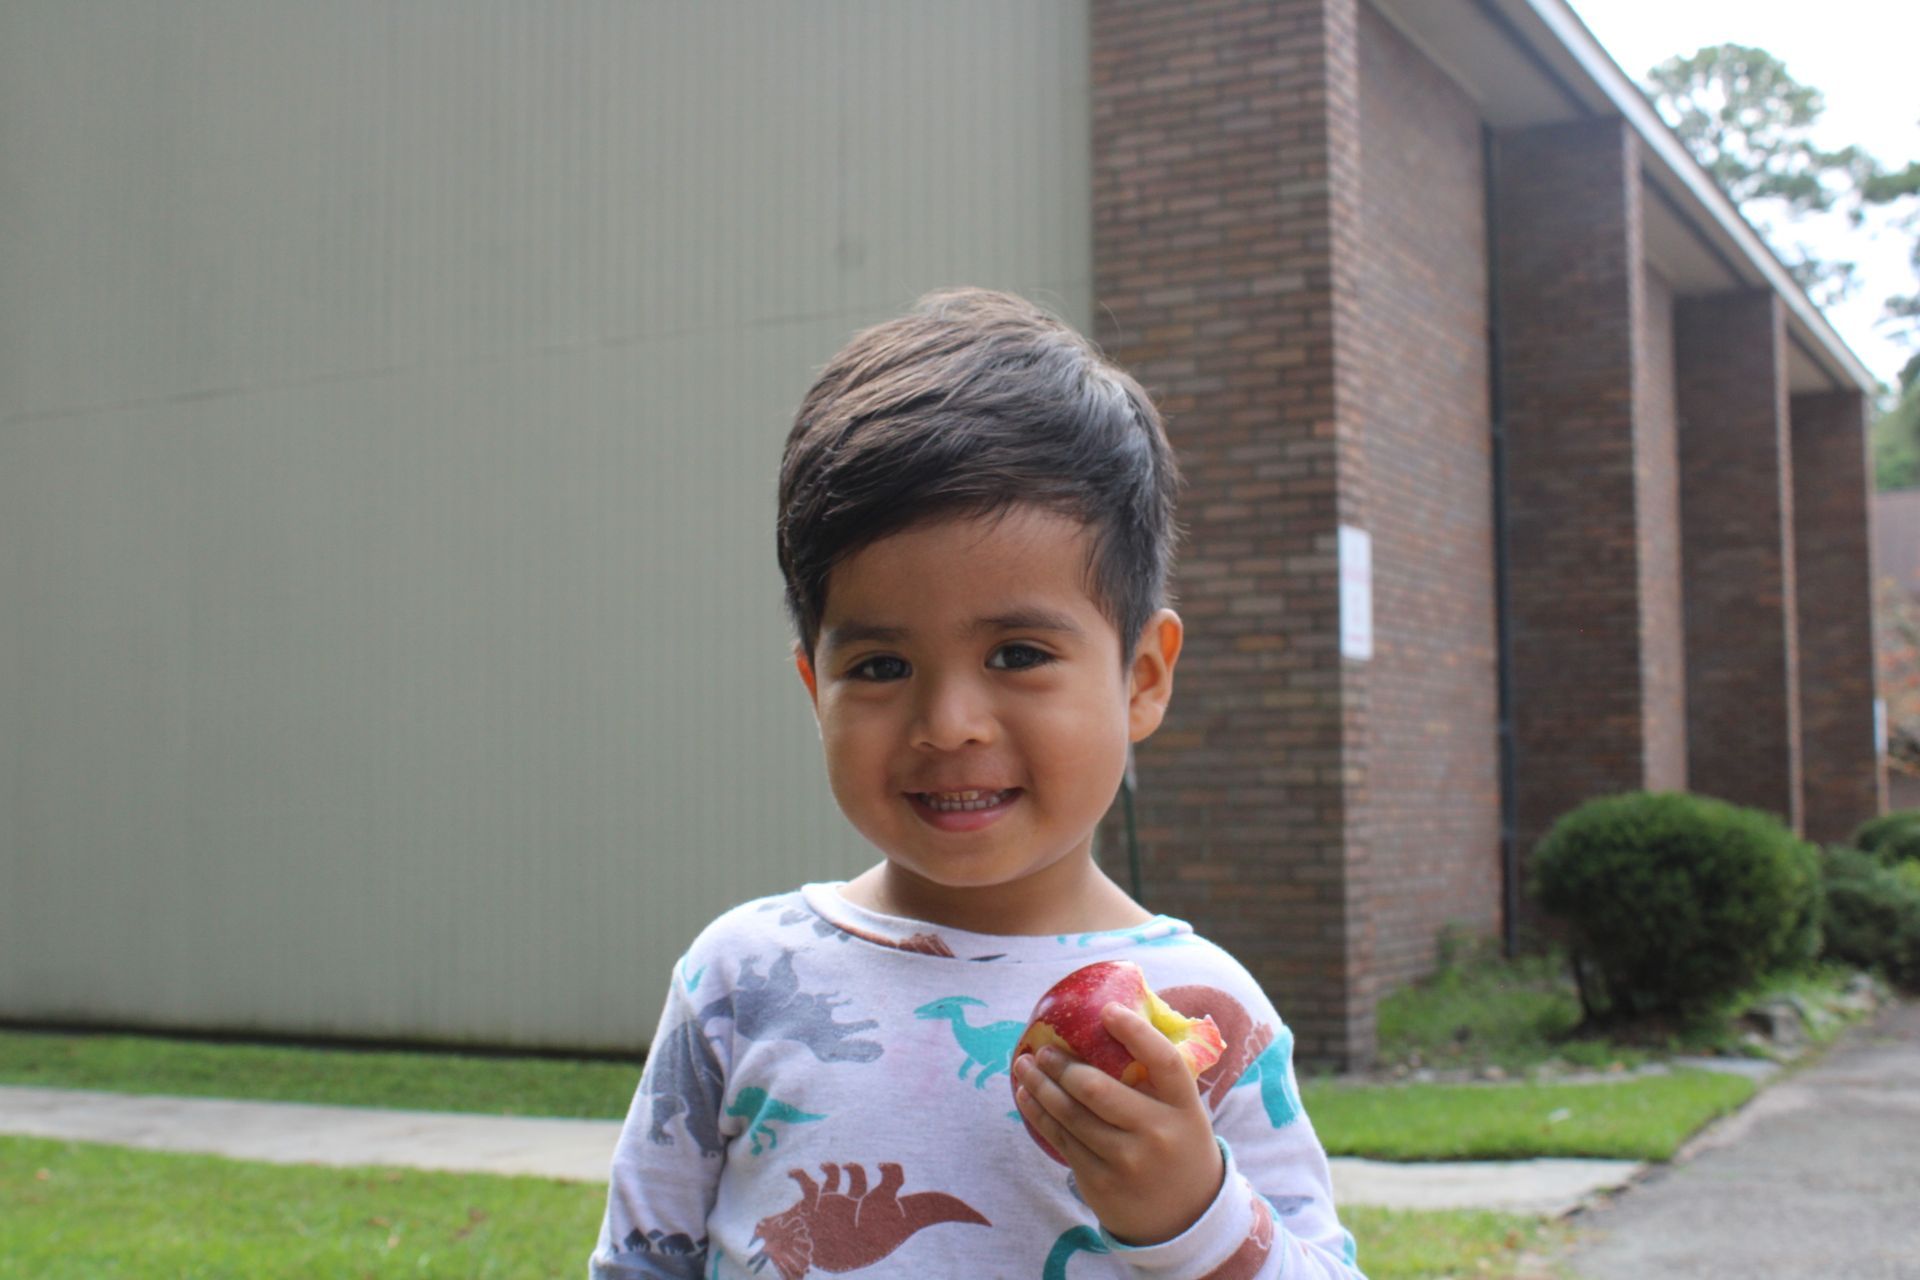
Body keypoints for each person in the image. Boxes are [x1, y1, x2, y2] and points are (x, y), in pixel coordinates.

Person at [589, 288, 1365, 1279]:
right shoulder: (740, 981)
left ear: (1143, 677)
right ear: (811, 687)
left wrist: (1193, 1211)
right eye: (878, 665)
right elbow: (638, 1260)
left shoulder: (1205, 1012)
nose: (949, 722)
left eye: (1018, 650)